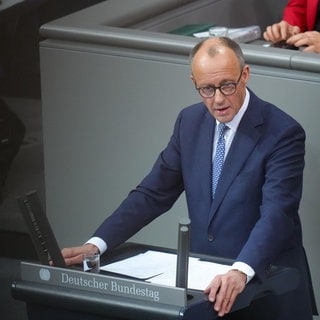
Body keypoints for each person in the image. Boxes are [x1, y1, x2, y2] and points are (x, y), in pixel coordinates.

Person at [62, 37, 317, 319]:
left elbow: (277, 214)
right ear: (194, 82)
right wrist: (96, 244)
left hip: (265, 286)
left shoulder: (282, 132)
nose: (218, 98)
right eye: (207, 89)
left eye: (227, 85)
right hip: (206, 291)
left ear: (245, 75)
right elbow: (152, 193)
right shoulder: (189, 122)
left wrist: (241, 270)